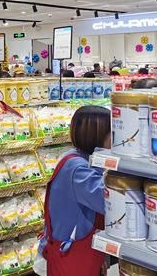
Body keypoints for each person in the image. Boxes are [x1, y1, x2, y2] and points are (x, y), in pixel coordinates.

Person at [38, 106, 111, 276]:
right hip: (71, 255)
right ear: (97, 137)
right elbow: (107, 202)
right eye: (112, 134)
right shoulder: (78, 169)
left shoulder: (76, 158)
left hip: (80, 250)